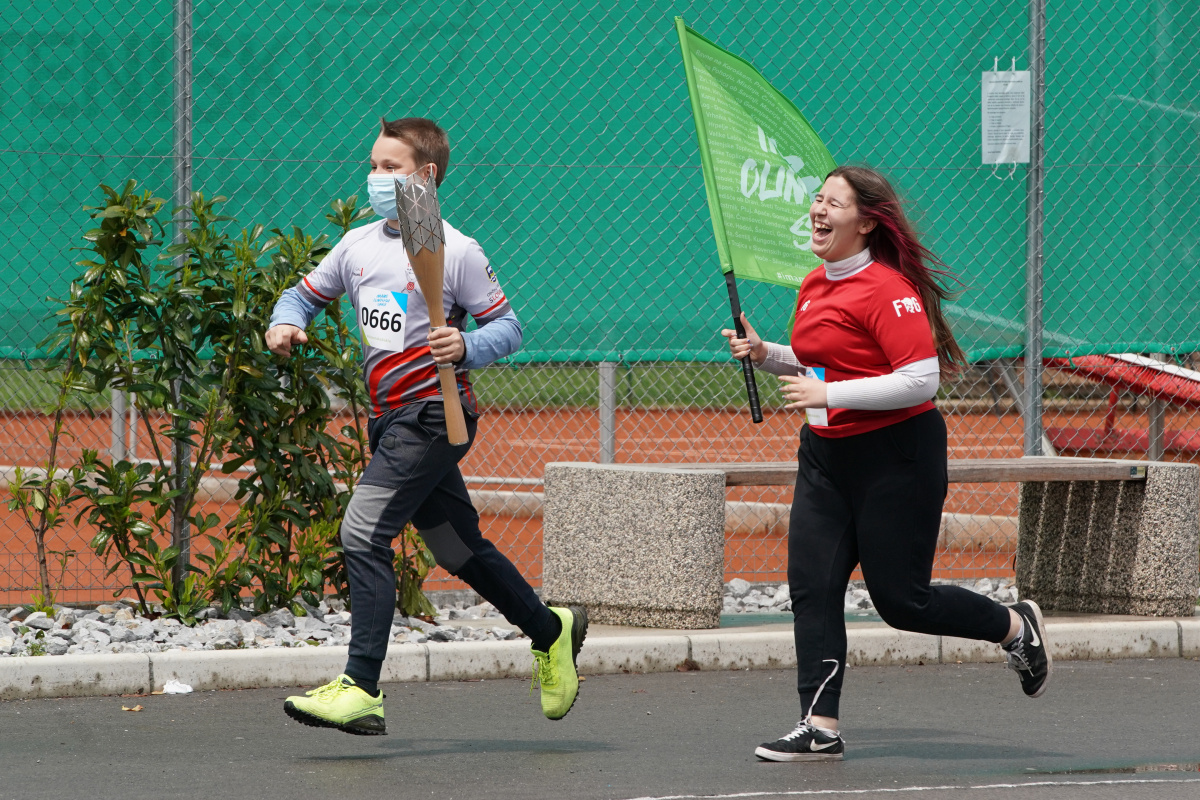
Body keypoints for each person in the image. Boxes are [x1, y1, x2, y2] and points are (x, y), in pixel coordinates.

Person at [267, 117, 587, 735]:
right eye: (374, 165)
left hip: (435, 416)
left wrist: (466, 346)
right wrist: (286, 321)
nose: (376, 177)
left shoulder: (457, 249)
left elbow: (509, 328)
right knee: (455, 549)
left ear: (426, 176)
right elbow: (302, 296)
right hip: (387, 419)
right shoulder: (356, 245)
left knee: (363, 532)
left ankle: (361, 689)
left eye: (391, 168)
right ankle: (551, 630)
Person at [721, 165, 1051, 763]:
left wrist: (830, 393)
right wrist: (767, 353)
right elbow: (822, 361)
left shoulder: (887, 289)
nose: (819, 210)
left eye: (835, 203)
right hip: (826, 457)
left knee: (902, 602)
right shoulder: (814, 283)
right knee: (813, 587)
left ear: (867, 222)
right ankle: (819, 726)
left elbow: (920, 380)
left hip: (896, 456)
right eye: (818, 199)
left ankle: (1014, 627)